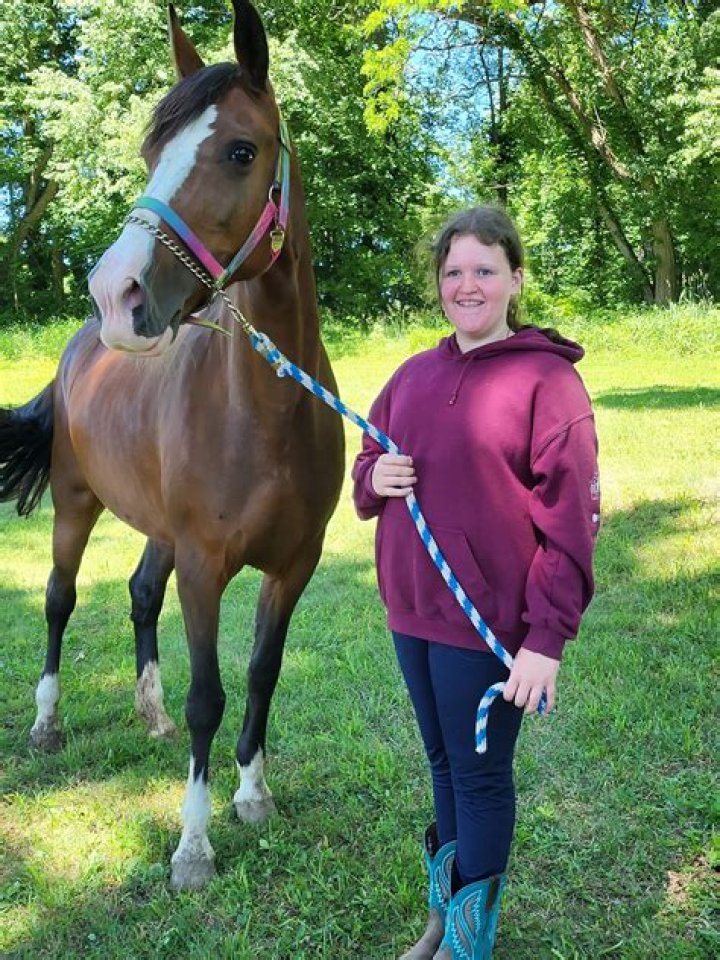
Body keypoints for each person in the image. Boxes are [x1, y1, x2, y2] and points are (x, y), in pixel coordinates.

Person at [351, 206, 600, 959]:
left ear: (514, 280)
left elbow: (571, 523)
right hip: (411, 612)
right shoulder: (410, 376)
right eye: (453, 271)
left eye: (484, 270)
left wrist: (545, 642)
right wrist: (376, 475)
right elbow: (366, 467)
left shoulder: (547, 382)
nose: (468, 285)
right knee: (440, 763)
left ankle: (468, 945)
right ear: (438, 284)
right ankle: (441, 920)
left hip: (487, 624)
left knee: (480, 777)